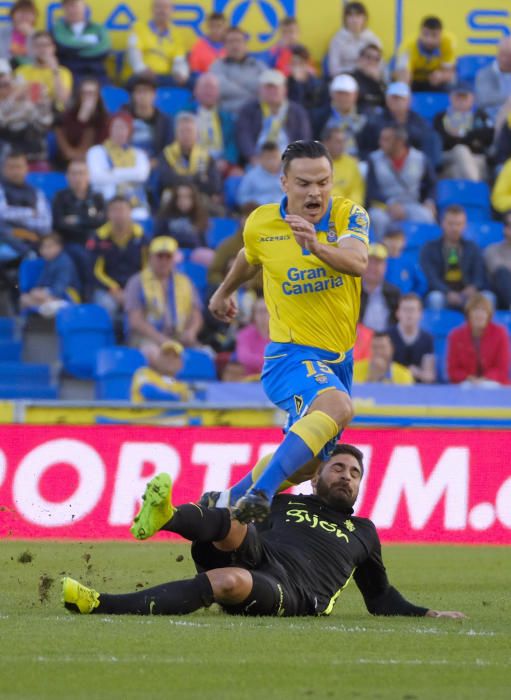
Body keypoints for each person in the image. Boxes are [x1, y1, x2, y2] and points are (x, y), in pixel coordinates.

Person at [62, 444, 464, 620]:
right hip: (259, 553)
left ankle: (101, 603)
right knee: (235, 514)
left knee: (230, 580)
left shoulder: (364, 531)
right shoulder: (284, 500)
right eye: (338, 468)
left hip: (298, 593)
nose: (346, 477)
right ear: (315, 478)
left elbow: (380, 598)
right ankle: (164, 516)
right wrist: (211, 505)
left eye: (354, 474)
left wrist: (429, 613)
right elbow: (218, 503)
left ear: (360, 486)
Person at [208, 140, 369, 521]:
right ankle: (259, 495)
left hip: (337, 361)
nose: (315, 192)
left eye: (323, 182)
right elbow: (249, 256)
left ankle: (222, 501)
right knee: (338, 406)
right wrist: (223, 291)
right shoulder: (263, 223)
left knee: (304, 467)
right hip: (290, 354)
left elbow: (358, 261)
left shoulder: (349, 215)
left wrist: (313, 245)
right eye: (304, 183)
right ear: (284, 182)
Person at [124, 236, 203, 354]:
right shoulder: (137, 281)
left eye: (168, 257)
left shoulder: (185, 282)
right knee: (154, 352)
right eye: (160, 256)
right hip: (146, 337)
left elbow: (196, 315)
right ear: (150, 257)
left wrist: (191, 332)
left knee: (205, 355)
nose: (164, 261)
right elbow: (135, 321)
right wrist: (161, 339)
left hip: (178, 336)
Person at [366, 126, 436, 240]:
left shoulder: (420, 158)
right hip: (384, 206)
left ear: (399, 142)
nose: (380, 143)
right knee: (377, 218)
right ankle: (381, 253)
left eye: (386, 140)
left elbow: (432, 184)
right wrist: (390, 203)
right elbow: (371, 190)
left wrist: (430, 201)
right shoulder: (374, 159)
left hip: (411, 204)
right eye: (381, 139)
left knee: (427, 216)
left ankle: (420, 253)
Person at [52, 159, 106, 297]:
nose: (78, 177)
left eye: (81, 173)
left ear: (88, 176)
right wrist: (89, 222)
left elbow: (104, 222)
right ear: (67, 176)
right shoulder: (60, 197)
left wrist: (77, 220)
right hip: (71, 242)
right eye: (74, 173)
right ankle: (85, 297)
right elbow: (59, 224)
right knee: (82, 255)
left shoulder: (97, 197)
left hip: (96, 242)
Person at [87, 196, 147, 318]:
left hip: (136, 286)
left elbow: (146, 268)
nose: (119, 214)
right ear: (108, 214)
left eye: (122, 210)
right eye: (114, 210)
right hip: (106, 289)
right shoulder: (98, 238)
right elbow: (95, 271)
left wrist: (131, 289)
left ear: (130, 212)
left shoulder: (142, 237)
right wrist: (113, 288)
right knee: (107, 306)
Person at [420, 205, 489, 311]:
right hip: (442, 293)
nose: (455, 228)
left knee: (488, 297)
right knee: (435, 298)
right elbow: (430, 277)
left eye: (458, 224)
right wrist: (447, 292)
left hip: (467, 294)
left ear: (465, 225)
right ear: (443, 223)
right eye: (451, 224)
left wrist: (473, 288)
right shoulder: (429, 248)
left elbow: (479, 273)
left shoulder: (472, 247)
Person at [236, 69, 311, 164]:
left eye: (275, 87)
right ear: (260, 89)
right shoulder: (248, 109)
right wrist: (252, 157)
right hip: (258, 160)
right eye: (267, 87)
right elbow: (244, 137)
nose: (271, 91)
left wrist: (294, 160)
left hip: (289, 160)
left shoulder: (297, 112)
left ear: (285, 89)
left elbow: (303, 139)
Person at [86, 112, 151, 222]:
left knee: (140, 217)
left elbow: (141, 175)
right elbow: (96, 177)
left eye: (123, 128)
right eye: (116, 127)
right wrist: (131, 174)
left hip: (135, 203)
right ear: (110, 130)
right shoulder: (96, 151)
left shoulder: (139, 154)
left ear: (129, 131)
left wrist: (111, 172)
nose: (119, 132)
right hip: (105, 203)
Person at [359, 81, 441, 167]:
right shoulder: (375, 120)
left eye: (401, 98)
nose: (397, 102)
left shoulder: (418, 121)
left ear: (409, 100)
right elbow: (365, 146)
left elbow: (427, 140)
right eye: (393, 98)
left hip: (411, 164)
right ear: (387, 100)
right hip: (381, 163)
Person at [157, 112, 222, 205]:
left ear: (197, 134)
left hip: (200, 197)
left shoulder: (206, 156)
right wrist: (197, 179)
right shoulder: (167, 154)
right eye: (182, 131)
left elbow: (214, 186)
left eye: (189, 131)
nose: (186, 135)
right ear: (176, 134)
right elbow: (165, 180)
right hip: (175, 197)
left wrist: (182, 180)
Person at [433, 82, 493, 181]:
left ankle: (465, 192)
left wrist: (461, 134)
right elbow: (443, 139)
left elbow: (488, 136)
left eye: (464, 97)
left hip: (476, 158)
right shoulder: (441, 116)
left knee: (456, 170)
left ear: (472, 98)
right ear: (451, 98)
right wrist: (471, 136)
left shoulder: (481, 115)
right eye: (457, 97)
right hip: (449, 155)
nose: (461, 101)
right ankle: (475, 186)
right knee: (460, 150)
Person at [447, 293, 510, 386]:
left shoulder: (500, 333)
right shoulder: (456, 335)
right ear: (468, 314)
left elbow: (502, 369)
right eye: (475, 310)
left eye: (483, 310)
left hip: (494, 383)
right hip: (466, 383)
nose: (479, 314)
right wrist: (468, 378)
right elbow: (453, 370)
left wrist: (485, 379)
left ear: (489, 314)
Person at [0, 60, 52, 166]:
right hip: (8, 157)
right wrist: (13, 98)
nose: (7, 87)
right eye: (2, 85)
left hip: (34, 154)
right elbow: (2, 122)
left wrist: (42, 103)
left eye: (7, 83)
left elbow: (46, 122)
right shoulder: (7, 103)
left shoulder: (29, 99)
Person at [126, 0, 189, 87]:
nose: (162, 11)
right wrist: (142, 70)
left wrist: (180, 73)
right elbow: (133, 54)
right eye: (158, 7)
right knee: (137, 82)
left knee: (192, 82)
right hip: (141, 75)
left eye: (166, 7)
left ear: (171, 11)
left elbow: (179, 60)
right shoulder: (138, 28)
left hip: (165, 77)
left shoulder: (176, 33)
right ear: (152, 10)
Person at [0, 152, 52, 254]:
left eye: (18, 167)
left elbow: (46, 224)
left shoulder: (36, 192)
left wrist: (22, 225)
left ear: (26, 169)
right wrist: (30, 213)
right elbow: (2, 214)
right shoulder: (1, 188)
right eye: (11, 167)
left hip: (32, 238)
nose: (15, 171)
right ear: (3, 169)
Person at [210, 26, 266, 116]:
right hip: (228, 116)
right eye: (231, 41)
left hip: (255, 116)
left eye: (238, 41)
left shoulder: (258, 65)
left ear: (245, 45)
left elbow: (266, 88)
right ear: (224, 46)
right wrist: (252, 95)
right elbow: (221, 88)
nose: (235, 45)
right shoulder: (217, 66)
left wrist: (235, 82)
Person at [19, 232, 79, 316]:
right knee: (24, 298)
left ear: (59, 247)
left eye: (49, 247)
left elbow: (60, 287)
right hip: (48, 295)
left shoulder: (65, 262)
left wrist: (46, 294)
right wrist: (37, 291)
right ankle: (24, 325)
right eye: (43, 247)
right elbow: (41, 283)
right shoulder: (49, 262)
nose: (45, 250)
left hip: (67, 295)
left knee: (48, 303)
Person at [54, 78, 109, 167]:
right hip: (68, 163)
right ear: (79, 96)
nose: (88, 97)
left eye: (91, 93)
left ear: (98, 96)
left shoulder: (104, 118)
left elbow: (102, 145)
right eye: (84, 93)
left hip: (95, 163)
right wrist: (81, 121)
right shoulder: (68, 116)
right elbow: (67, 145)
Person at [52, 0, 110, 84]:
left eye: (75, 5)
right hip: (69, 76)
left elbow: (104, 50)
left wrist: (74, 51)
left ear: (84, 6)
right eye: (68, 6)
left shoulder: (98, 28)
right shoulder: (57, 30)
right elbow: (63, 46)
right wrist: (91, 45)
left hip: (97, 75)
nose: (71, 10)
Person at [191, 72, 239, 174]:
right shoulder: (186, 115)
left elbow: (231, 143)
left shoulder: (226, 117)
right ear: (195, 91)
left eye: (212, 88)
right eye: (205, 87)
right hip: (194, 161)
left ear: (218, 92)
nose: (209, 92)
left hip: (221, 162)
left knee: (237, 175)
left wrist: (227, 160)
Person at [123, 73, 174, 168]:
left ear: (154, 95)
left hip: (155, 167)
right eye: (139, 92)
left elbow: (170, 149)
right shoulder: (123, 118)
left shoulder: (165, 121)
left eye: (147, 92)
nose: (143, 96)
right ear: (133, 96)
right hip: (126, 164)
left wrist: (157, 161)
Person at [15, 31, 73, 112]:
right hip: (28, 111)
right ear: (32, 48)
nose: (42, 49)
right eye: (38, 45)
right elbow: (15, 98)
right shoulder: (22, 70)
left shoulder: (63, 72)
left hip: (54, 112)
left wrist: (55, 71)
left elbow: (63, 99)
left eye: (46, 45)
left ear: (53, 48)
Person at [395, 16, 456, 92]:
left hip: (435, 80)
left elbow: (449, 72)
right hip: (413, 80)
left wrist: (441, 76)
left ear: (441, 35)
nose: (429, 40)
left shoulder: (448, 43)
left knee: (452, 83)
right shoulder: (407, 47)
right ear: (420, 32)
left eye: (434, 35)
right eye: (425, 34)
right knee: (400, 89)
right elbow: (403, 77)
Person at [313, 74, 367, 157]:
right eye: (339, 93)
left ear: (355, 95)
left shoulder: (364, 117)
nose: (343, 98)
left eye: (347, 94)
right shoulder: (318, 117)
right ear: (331, 93)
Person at [388, 293, 436, 383]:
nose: (409, 314)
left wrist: (418, 373)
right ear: (397, 313)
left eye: (412, 310)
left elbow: (429, 376)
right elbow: (381, 368)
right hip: (392, 385)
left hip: (419, 390)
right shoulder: (387, 336)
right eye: (405, 310)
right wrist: (402, 373)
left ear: (420, 314)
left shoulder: (427, 339)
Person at [328, 2, 382, 78]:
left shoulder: (373, 40)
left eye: (358, 16)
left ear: (365, 18)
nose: (354, 20)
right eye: (350, 16)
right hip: (346, 80)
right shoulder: (337, 40)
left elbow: (380, 66)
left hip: (369, 79)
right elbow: (333, 70)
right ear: (345, 19)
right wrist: (356, 69)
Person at [155, 183, 209, 251]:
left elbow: (203, 243)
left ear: (194, 199)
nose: (182, 200)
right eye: (179, 197)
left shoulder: (199, 217)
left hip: (195, 252)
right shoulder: (165, 216)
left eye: (186, 197)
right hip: (172, 252)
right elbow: (157, 240)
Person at [359, 243, 400, 332]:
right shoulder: (353, 291)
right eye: (369, 262)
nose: (372, 267)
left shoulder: (394, 293)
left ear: (385, 267)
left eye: (377, 263)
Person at [322, 126, 365, 204]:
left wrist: (349, 209)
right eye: (338, 142)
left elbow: (357, 192)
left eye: (343, 141)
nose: (342, 145)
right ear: (326, 143)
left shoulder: (351, 164)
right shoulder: (316, 163)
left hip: (346, 210)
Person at [474, 37, 511, 125]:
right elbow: (484, 98)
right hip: (490, 122)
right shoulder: (484, 74)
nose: (505, 59)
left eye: (510, 56)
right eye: (503, 54)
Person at [236, 142, 283, 207]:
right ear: (260, 159)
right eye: (268, 158)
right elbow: (242, 198)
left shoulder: (287, 174)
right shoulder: (251, 176)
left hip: (284, 211)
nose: (272, 162)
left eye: (275, 157)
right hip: (259, 210)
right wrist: (254, 203)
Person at [234, 295, 270, 377]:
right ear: (253, 314)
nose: (263, 315)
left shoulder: (280, 334)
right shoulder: (244, 334)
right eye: (259, 311)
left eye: (266, 311)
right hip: (251, 380)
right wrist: (271, 362)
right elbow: (243, 357)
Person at [484, 212, 511, 310]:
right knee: (502, 273)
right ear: (505, 228)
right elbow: (498, 271)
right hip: (500, 296)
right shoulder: (492, 249)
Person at [351, 43, 387, 115]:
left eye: (376, 59)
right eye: (368, 57)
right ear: (360, 59)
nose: (372, 62)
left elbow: (389, 104)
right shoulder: (350, 79)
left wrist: (378, 81)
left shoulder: (380, 82)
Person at [0, 0, 37, 68]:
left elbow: (39, 59)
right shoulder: (2, 32)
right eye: (21, 12)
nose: (24, 16)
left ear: (34, 17)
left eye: (28, 13)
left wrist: (32, 36)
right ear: (13, 14)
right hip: (5, 72)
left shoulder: (39, 36)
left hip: (30, 73)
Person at [286, 45, 324, 112]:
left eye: (300, 64)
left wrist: (298, 83)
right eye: (293, 63)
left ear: (307, 64)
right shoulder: (286, 84)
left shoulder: (317, 84)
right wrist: (296, 82)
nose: (296, 68)